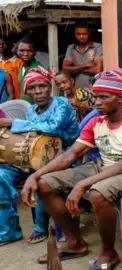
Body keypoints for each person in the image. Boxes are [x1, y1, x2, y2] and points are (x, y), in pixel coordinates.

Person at [21, 68, 122, 268]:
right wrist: (35, 176)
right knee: (44, 183)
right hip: (102, 167)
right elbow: (71, 154)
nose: (96, 102)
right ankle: (74, 243)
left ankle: (109, 253)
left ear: (119, 99)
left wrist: (83, 184)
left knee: (97, 193)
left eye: (103, 97)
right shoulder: (96, 123)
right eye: (95, 97)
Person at [0, 67, 79, 246]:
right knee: (1, 176)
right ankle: (9, 231)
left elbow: (54, 127)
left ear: (50, 87)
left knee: (40, 176)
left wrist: (15, 122)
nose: (38, 91)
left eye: (42, 86)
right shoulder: (32, 111)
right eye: (32, 88)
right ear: (26, 91)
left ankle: (41, 226)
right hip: (36, 158)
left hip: (66, 158)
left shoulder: (61, 104)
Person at [54, 70, 122, 123]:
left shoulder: (86, 94)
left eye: (64, 82)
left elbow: (95, 113)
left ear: (72, 81)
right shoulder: (59, 100)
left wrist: (81, 105)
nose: (61, 86)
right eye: (58, 84)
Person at [63, 22, 103, 89]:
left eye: (84, 34)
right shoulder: (71, 48)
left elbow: (98, 70)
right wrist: (86, 65)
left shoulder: (97, 46)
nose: (81, 36)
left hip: (94, 89)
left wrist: (75, 69)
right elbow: (65, 69)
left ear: (89, 32)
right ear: (74, 33)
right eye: (78, 34)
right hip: (77, 89)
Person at [17, 38, 47, 104]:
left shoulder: (40, 69)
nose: (25, 54)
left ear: (34, 52)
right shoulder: (21, 68)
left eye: (29, 50)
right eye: (22, 50)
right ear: (17, 52)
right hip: (26, 109)